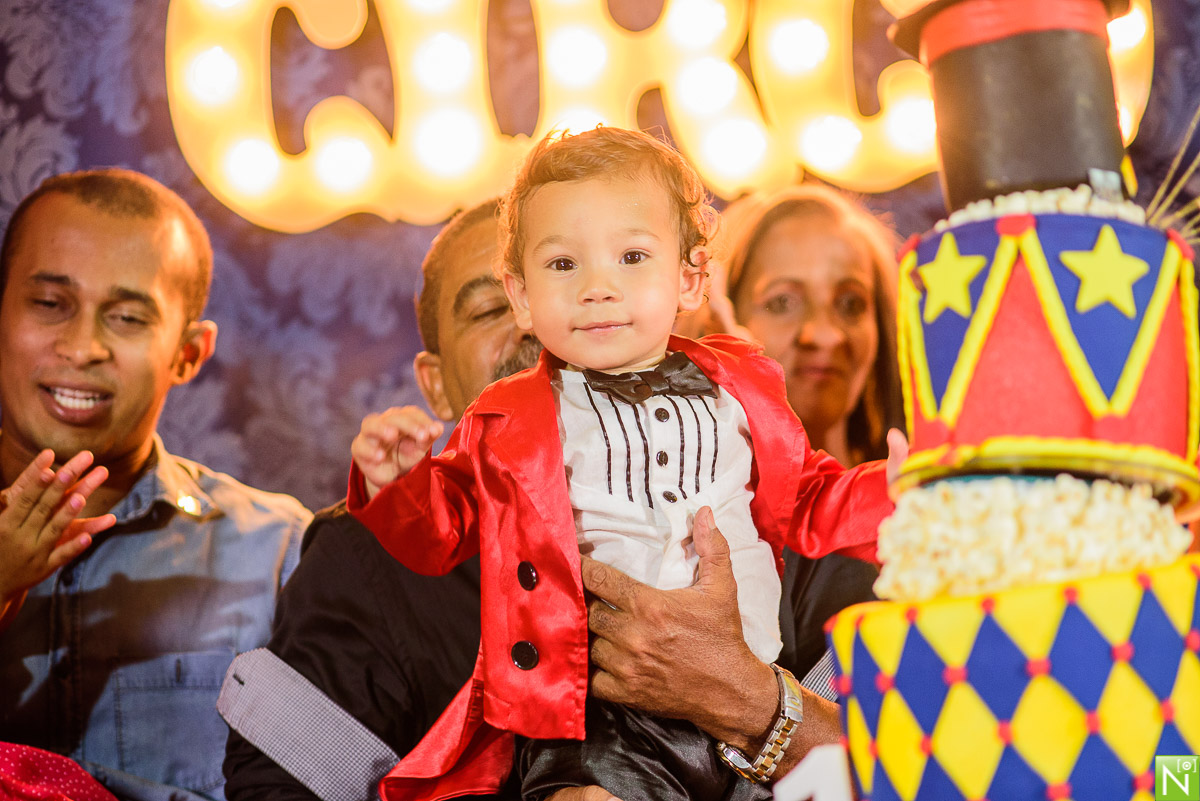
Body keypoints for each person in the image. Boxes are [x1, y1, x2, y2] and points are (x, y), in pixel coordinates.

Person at [223, 196, 861, 801]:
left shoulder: (762, 502)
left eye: (569, 275)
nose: (541, 324)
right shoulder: (366, 556)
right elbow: (280, 784)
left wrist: (748, 698)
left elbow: (927, 756)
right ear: (436, 386)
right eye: (492, 307)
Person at [349, 128, 899, 801]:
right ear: (522, 296)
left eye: (632, 255)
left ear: (690, 276)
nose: (598, 288)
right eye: (562, 266)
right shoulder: (511, 416)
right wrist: (399, 482)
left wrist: (899, 490)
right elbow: (443, 527)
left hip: (750, 688)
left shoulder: (743, 385)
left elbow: (810, 498)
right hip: (596, 715)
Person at [0, 168, 310, 801]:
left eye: (127, 317)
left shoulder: (281, 551)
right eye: (51, 304)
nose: (83, 346)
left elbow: (344, 780)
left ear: (188, 353)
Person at [713, 184, 906, 664]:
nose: (824, 333)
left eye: (850, 303)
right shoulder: (705, 533)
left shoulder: (934, 505)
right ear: (718, 316)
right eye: (782, 302)